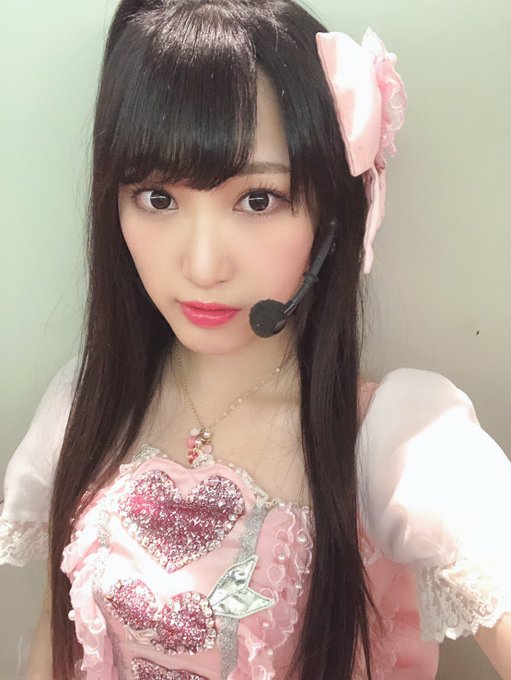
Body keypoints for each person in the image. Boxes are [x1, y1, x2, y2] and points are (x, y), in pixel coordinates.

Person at [1, 0, 510, 678]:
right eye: (157, 198)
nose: (202, 265)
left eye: (258, 200)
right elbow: (54, 639)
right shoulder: (84, 403)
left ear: (333, 213)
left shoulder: (394, 441)